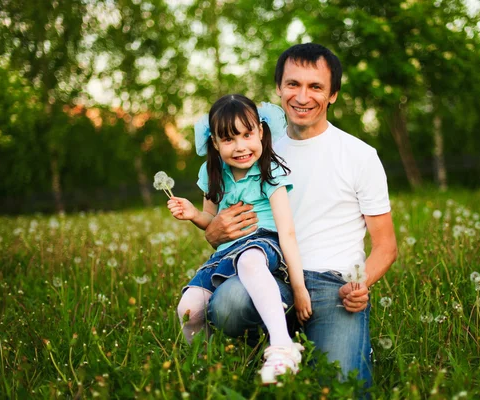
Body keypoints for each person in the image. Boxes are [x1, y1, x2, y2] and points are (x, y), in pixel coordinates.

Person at [204, 43, 398, 389]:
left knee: (341, 386)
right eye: (293, 84)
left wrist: (360, 284)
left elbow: (386, 246)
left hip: (332, 286)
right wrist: (214, 230)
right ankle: (271, 343)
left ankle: (310, 340)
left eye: (315, 86)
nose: (302, 96)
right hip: (270, 274)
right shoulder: (254, 146)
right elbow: (221, 213)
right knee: (229, 302)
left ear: (333, 94)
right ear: (279, 88)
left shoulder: (359, 155)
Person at [168, 94, 311, 384]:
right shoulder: (212, 173)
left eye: (247, 135)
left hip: (264, 245)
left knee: (249, 258)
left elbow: (287, 230)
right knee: (189, 307)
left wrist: (299, 286)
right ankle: (208, 369)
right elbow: (212, 222)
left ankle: (282, 344)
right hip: (225, 255)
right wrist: (194, 214)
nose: (241, 147)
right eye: (230, 140)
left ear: (260, 131)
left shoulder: (269, 170)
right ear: (216, 144)